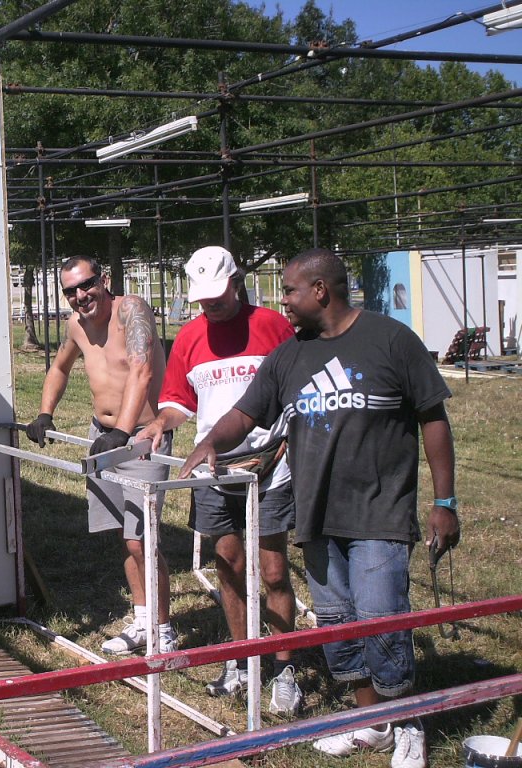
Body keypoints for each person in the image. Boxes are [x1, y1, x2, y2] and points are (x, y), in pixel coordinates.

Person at [180, 248, 459, 768]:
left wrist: (445, 502)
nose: (283, 300)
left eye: (289, 290)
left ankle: (408, 724)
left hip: (378, 513)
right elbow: (246, 413)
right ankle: (370, 723)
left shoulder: (391, 340)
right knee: (338, 625)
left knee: (381, 621)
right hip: (316, 517)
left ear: (320, 291)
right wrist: (211, 441)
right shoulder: (290, 356)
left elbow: (433, 418)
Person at [136, 246, 302, 714]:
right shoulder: (190, 337)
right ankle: (241, 660)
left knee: (273, 570)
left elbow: (298, 391)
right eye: (203, 297)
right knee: (228, 564)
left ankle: (284, 668)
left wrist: (288, 441)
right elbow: (179, 401)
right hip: (213, 468)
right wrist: (160, 422)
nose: (211, 304)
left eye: (218, 294)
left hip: (269, 464)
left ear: (237, 281)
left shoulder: (273, 326)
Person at [25, 255, 177, 655]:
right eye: (70, 291)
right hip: (104, 435)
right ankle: (143, 620)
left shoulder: (132, 311)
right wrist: (45, 412)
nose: (80, 295)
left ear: (104, 280)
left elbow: (142, 372)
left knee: (143, 540)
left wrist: (123, 433)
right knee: (125, 536)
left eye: (87, 284)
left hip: (142, 439)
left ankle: (163, 628)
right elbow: (60, 368)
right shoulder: (76, 325)